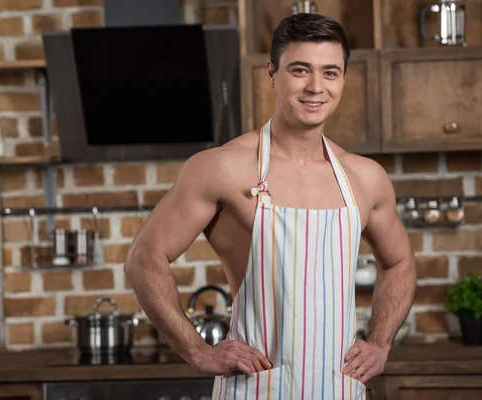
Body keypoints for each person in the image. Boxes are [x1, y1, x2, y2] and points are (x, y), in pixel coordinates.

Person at [124, 12, 417, 399]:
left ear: (344, 78)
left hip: (338, 390)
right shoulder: (222, 168)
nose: (316, 87)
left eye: (330, 72)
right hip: (255, 389)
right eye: (300, 70)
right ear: (272, 73)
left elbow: (399, 264)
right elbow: (144, 259)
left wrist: (380, 343)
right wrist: (197, 351)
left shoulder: (365, 178)